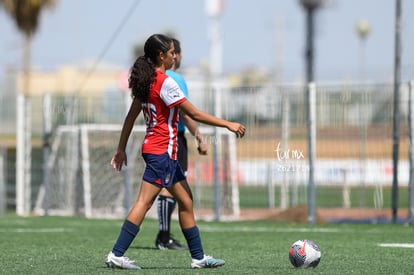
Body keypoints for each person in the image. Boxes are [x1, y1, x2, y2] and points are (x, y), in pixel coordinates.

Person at [105, 33, 246, 270]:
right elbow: (194, 113)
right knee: (144, 202)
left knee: (186, 201)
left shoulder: (146, 81)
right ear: (161, 56)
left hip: (154, 149)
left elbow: (130, 118)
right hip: (163, 152)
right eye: (172, 52)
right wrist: (228, 124)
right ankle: (116, 254)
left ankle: (199, 257)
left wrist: (121, 149)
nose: (175, 56)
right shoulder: (164, 82)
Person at [154, 38, 208, 250]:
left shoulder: (154, 78)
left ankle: (164, 236)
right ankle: (164, 238)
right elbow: (187, 113)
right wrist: (200, 137)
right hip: (175, 138)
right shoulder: (175, 79)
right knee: (173, 188)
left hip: (157, 137)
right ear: (174, 54)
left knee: (161, 188)